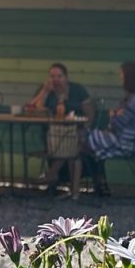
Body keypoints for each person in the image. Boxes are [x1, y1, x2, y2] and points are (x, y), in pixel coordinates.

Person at [78, 61, 135, 197]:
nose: (120, 78)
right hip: (120, 137)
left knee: (81, 138)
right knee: (85, 142)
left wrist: (113, 116)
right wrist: (116, 116)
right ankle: (98, 182)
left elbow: (120, 123)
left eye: (122, 75)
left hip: (124, 142)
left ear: (129, 77)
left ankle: (87, 181)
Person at [25, 63, 93, 193]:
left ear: (66, 77)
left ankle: (51, 173)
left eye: (59, 76)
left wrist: (85, 128)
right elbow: (33, 110)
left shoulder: (77, 90)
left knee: (71, 140)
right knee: (63, 141)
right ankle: (59, 180)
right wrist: (45, 92)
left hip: (76, 130)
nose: (56, 79)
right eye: (52, 76)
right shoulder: (46, 90)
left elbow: (89, 115)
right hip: (51, 132)